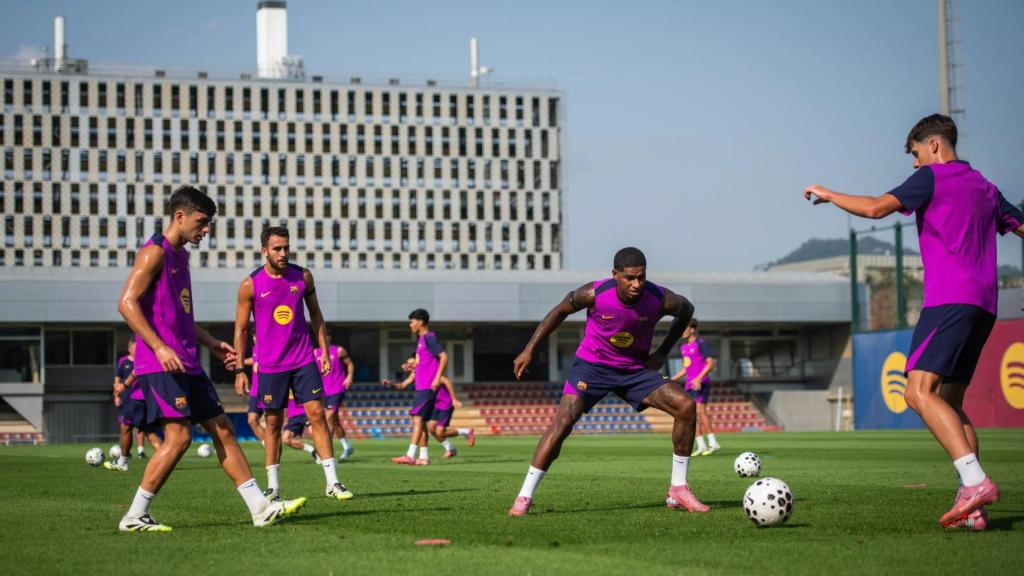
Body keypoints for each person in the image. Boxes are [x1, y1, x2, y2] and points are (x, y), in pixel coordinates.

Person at [803, 113, 1024, 530]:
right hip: (985, 306)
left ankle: (976, 482)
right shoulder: (988, 188)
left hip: (949, 302)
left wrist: (828, 193)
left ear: (934, 146)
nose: (914, 164)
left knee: (917, 392)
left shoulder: (932, 178)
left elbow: (873, 209)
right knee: (952, 403)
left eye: (916, 153)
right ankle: (973, 508)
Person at [115, 186, 304, 532]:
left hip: (187, 360)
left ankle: (260, 507)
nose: (205, 230)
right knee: (179, 438)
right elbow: (126, 303)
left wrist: (212, 342)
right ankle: (134, 515)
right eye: (201, 223)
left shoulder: (180, 256)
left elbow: (179, 317)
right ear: (179, 216)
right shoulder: (153, 253)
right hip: (160, 363)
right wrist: (158, 347)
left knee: (224, 429)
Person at [508, 247, 706, 516]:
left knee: (685, 405)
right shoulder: (594, 293)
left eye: (641, 277)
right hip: (592, 368)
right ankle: (524, 497)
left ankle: (678, 489)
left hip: (634, 371)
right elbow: (558, 312)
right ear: (615, 275)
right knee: (563, 422)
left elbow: (687, 310)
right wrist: (530, 348)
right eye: (629, 278)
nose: (637, 284)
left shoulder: (659, 298)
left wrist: (662, 351)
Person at [233, 226, 353, 502]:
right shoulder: (250, 285)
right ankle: (273, 487)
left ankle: (333, 482)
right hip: (271, 366)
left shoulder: (303, 277)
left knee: (317, 415)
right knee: (273, 423)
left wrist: (323, 350)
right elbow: (240, 330)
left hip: (302, 361)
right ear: (264, 251)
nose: (283, 253)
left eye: (286, 247)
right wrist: (240, 369)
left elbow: (316, 315)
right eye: (277, 248)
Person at [385, 354, 475, 460]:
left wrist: (454, 398)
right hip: (434, 404)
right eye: (408, 363)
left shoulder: (429, 371)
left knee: (439, 431)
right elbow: (402, 385)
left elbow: (446, 380)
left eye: (411, 362)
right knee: (431, 429)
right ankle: (449, 449)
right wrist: (390, 384)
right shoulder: (415, 374)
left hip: (444, 403)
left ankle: (465, 431)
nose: (409, 365)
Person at [388, 309, 448, 466]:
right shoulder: (421, 340)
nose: (410, 324)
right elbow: (422, 362)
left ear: (420, 322)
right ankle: (423, 457)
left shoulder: (429, 337)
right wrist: (411, 365)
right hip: (422, 386)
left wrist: (436, 378)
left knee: (417, 418)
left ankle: (410, 455)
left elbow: (444, 356)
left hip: (427, 386)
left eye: (412, 321)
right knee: (420, 421)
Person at [106, 338, 162, 471]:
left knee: (126, 427)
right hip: (147, 399)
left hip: (136, 399)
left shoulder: (143, 357)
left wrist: (124, 385)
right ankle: (167, 459)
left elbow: (136, 371)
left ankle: (123, 461)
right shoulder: (153, 354)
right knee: (149, 431)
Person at [671, 319, 719, 456]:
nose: (682, 332)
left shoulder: (700, 344)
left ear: (692, 329)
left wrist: (698, 378)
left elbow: (710, 363)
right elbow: (686, 368)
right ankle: (701, 446)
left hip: (701, 383)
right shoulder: (683, 348)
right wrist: (672, 379)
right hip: (689, 385)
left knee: (700, 411)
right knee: (690, 415)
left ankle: (713, 442)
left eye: (684, 328)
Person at [314, 331, 356, 461]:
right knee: (334, 421)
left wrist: (349, 377)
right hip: (322, 390)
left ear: (329, 337)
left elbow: (350, 364)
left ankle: (325, 452)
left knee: (329, 417)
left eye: (325, 335)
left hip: (337, 388)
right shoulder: (315, 353)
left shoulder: (338, 350)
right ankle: (347, 446)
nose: (323, 338)